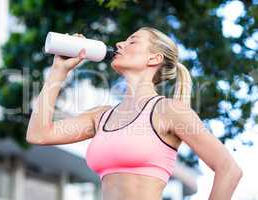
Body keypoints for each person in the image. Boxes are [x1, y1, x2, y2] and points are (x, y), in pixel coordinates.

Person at [26, 27, 243, 200]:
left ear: (154, 59)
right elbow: (38, 134)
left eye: (132, 41)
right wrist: (58, 71)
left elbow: (229, 169)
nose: (120, 44)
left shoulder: (169, 111)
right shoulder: (101, 117)